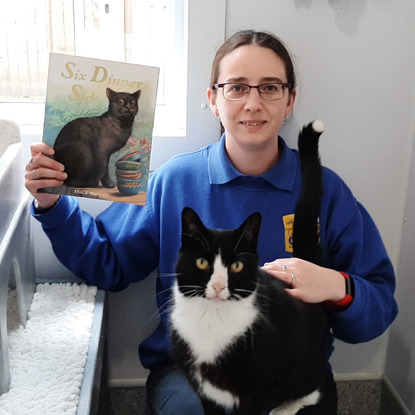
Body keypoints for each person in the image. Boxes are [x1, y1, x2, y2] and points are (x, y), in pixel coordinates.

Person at [25, 30, 397, 414]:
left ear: (290, 101)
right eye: (236, 87)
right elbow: (108, 264)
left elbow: (376, 310)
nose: (253, 102)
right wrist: (53, 205)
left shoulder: (326, 191)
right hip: (191, 370)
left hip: (289, 370)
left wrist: (338, 286)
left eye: (269, 87)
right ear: (213, 100)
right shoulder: (175, 180)